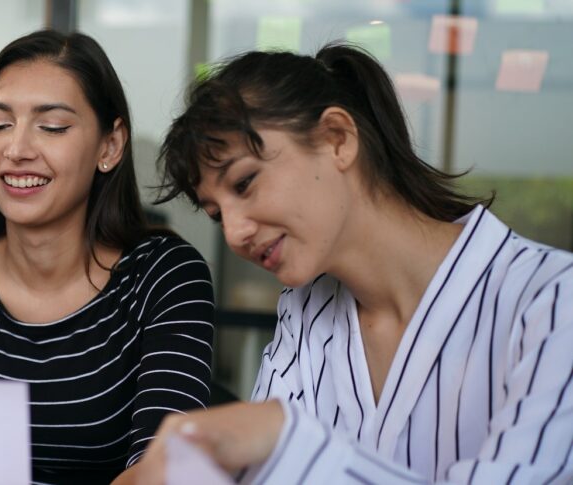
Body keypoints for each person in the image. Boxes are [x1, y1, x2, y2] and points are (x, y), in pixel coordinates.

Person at [136, 43, 573, 484]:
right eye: (217, 215)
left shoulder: (555, 302)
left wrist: (287, 439)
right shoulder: (306, 313)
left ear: (337, 139)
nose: (234, 233)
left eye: (245, 183)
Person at [0, 30, 215, 485]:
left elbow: (164, 468)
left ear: (109, 146)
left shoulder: (164, 276)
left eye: (52, 127)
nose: (17, 151)